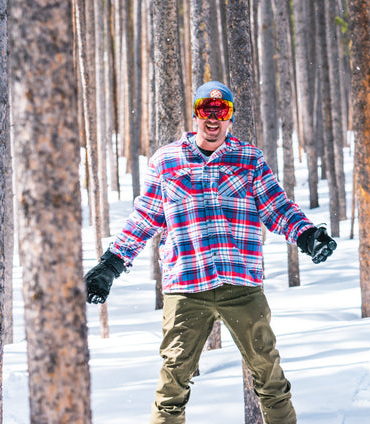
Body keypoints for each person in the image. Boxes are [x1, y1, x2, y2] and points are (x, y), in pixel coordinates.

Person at [84, 81, 337, 424]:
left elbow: (276, 207)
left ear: (231, 118)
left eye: (222, 112)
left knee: (270, 377)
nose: (214, 119)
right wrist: (111, 264)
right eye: (206, 110)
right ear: (195, 115)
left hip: (241, 284)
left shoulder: (249, 159)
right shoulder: (167, 161)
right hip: (186, 287)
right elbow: (144, 218)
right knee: (172, 385)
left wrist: (308, 235)